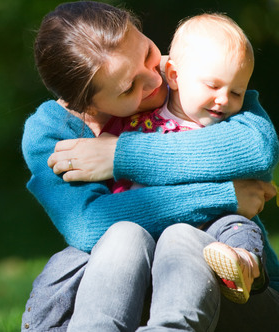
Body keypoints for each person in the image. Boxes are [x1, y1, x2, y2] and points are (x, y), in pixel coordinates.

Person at [22, 2, 279, 331]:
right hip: (119, 292)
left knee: (182, 240)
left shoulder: (194, 69)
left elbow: (256, 148)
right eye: (129, 87)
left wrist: (122, 155)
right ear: (88, 105)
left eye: (146, 52)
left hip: (235, 300)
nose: (154, 78)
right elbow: (89, 225)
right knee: (122, 238)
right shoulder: (51, 132)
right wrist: (223, 195)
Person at [101, 13, 265, 304]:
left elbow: (255, 162)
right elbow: (109, 145)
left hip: (210, 226)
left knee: (238, 228)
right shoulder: (142, 119)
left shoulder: (228, 126)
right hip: (145, 225)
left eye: (237, 92)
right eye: (213, 86)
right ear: (174, 76)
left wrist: (262, 182)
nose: (225, 100)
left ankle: (243, 265)